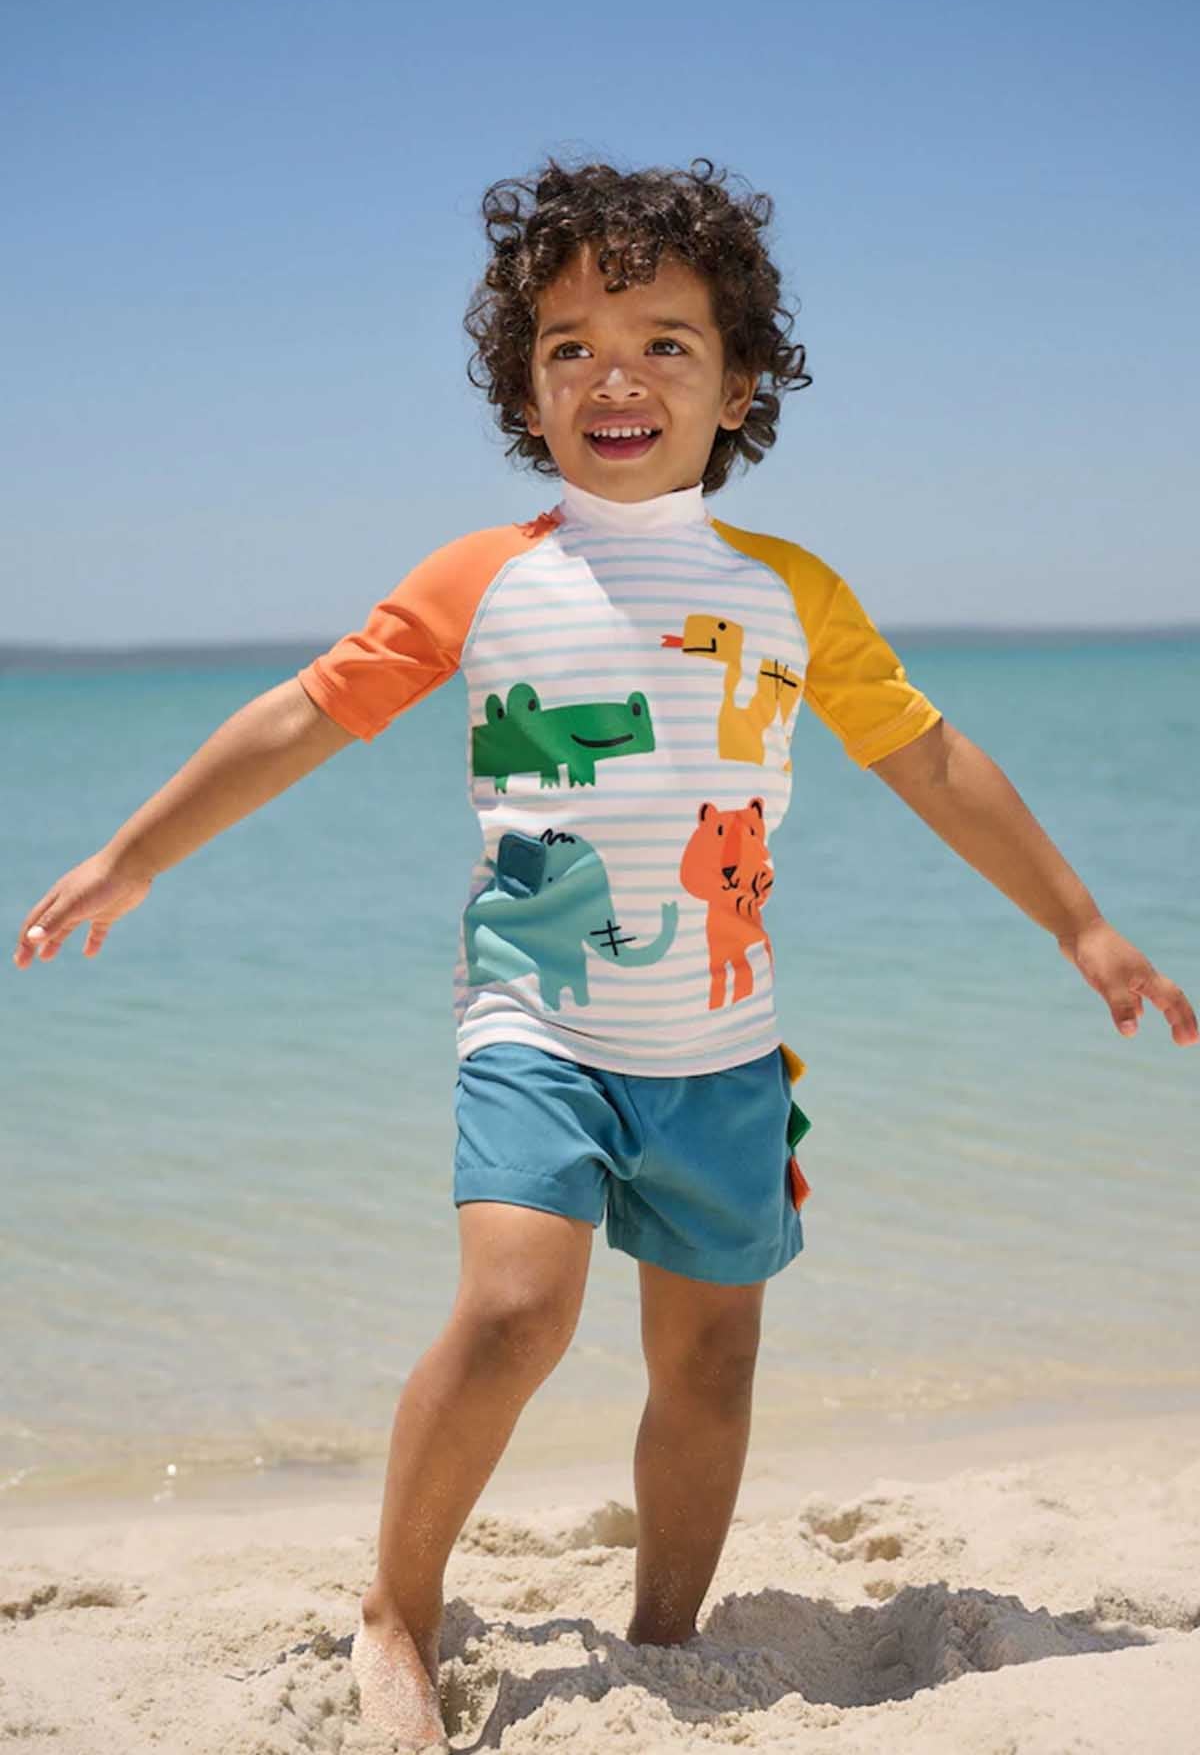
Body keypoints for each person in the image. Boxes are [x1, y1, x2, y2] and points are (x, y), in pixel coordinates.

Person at [14, 156, 1196, 1750]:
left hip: (724, 1045)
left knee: (711, 1361)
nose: (614, 376)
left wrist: (1081, 923)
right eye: (570, 345)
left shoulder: (789, 594)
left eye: (664, 343)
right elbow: (308, 714)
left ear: (740, 384)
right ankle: (398, 1610)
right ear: (527, 389)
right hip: (537, 1018)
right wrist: (136, 854)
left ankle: (665, 1640)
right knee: (518, 1309)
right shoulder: (486, 576)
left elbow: (927, 758)